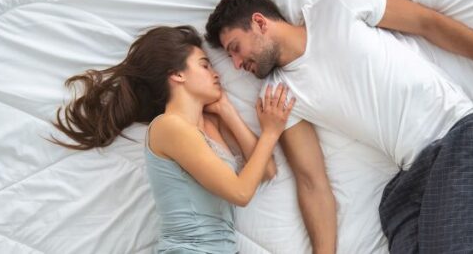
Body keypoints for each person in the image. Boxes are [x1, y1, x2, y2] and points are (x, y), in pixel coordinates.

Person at [205, 0, 473, 253]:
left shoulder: (337, 6)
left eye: (235, 48)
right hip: (411, 184)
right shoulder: (278, 96)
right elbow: (311, 182)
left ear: (259, 23)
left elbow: (426, 22)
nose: (235, 64)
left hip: (461, 137)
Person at [52, 25, 295, 253]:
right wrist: (270, 132)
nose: (216, 74)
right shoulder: (168, 127)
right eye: (205, 66)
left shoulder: (209, 126)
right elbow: (240, 193)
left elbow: (266, 171)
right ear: (178, 74)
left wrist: (227, 111)